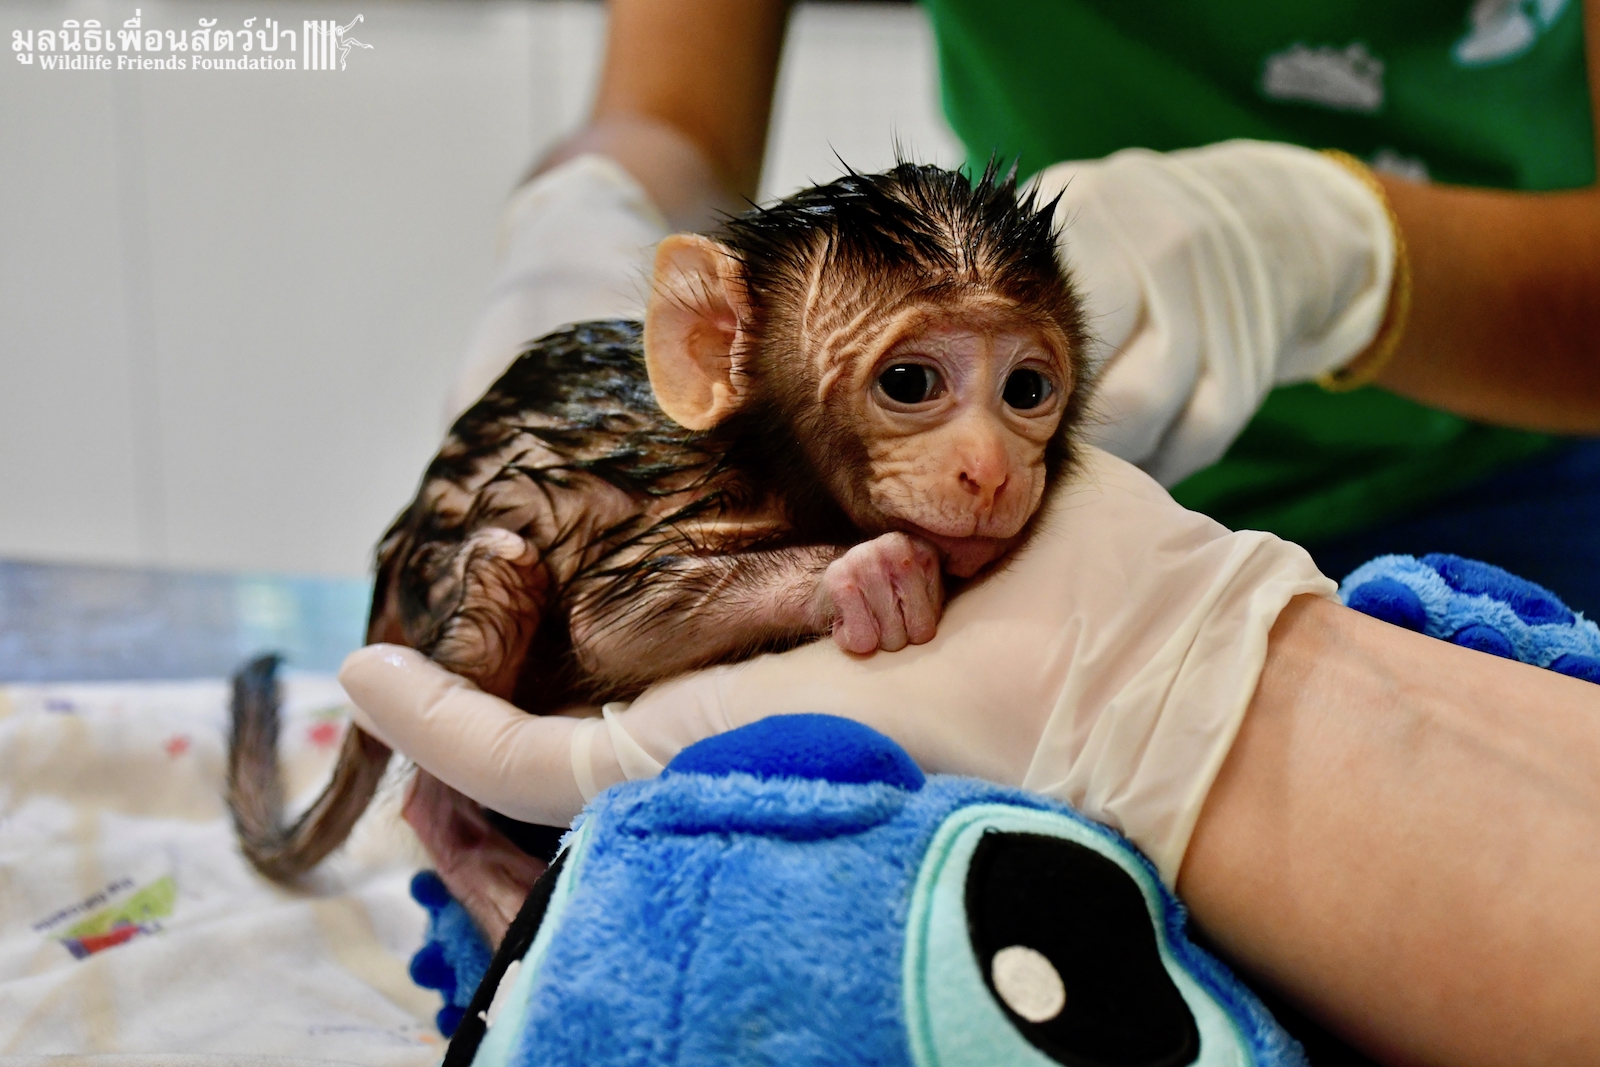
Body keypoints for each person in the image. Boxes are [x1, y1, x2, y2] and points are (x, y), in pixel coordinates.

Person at [359, 3, 1600, 1064]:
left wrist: (1324, 247)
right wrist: (586, 214)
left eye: (1026, 394)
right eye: (909, 385)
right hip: (1042, 474)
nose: (990, 465)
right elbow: (666, 118)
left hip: (1503, 460)